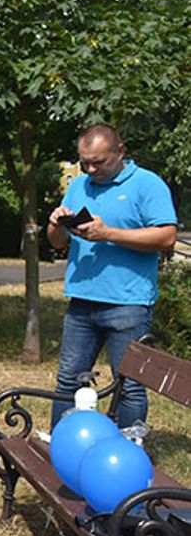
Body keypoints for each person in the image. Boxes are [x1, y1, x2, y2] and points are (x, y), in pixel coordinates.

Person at [47, 124, 177, 428]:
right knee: (68, 382)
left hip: (128, 304)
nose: (91, 169)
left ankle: (128, 455)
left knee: (129, 386)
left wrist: (108, 234)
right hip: (81, 301)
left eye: (99, 162)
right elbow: (57, 242)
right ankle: (61, 449)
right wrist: (55, 224)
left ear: (120, 151)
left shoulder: (148, 184)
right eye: (84, 162)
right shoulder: (79, 185)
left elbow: (167, 238)